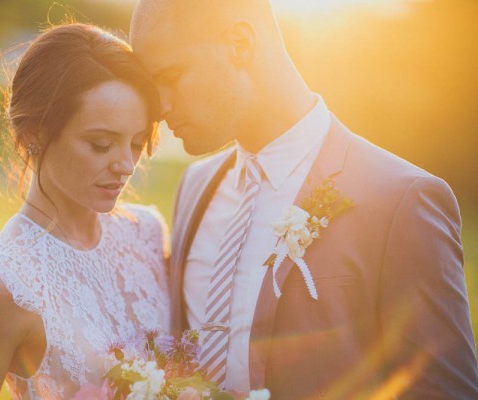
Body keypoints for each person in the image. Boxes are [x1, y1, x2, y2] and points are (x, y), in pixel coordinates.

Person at [130, 0, 478, 398]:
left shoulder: (401, 200)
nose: (160, 107)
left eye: (171, 76)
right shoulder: (195, 187)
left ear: (240, 44)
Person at [0, 23, 170, 399]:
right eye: (102, 144)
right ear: (33, 135)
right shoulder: (0, 288)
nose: (126, 164)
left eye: (137, 143)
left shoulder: (147, 233)